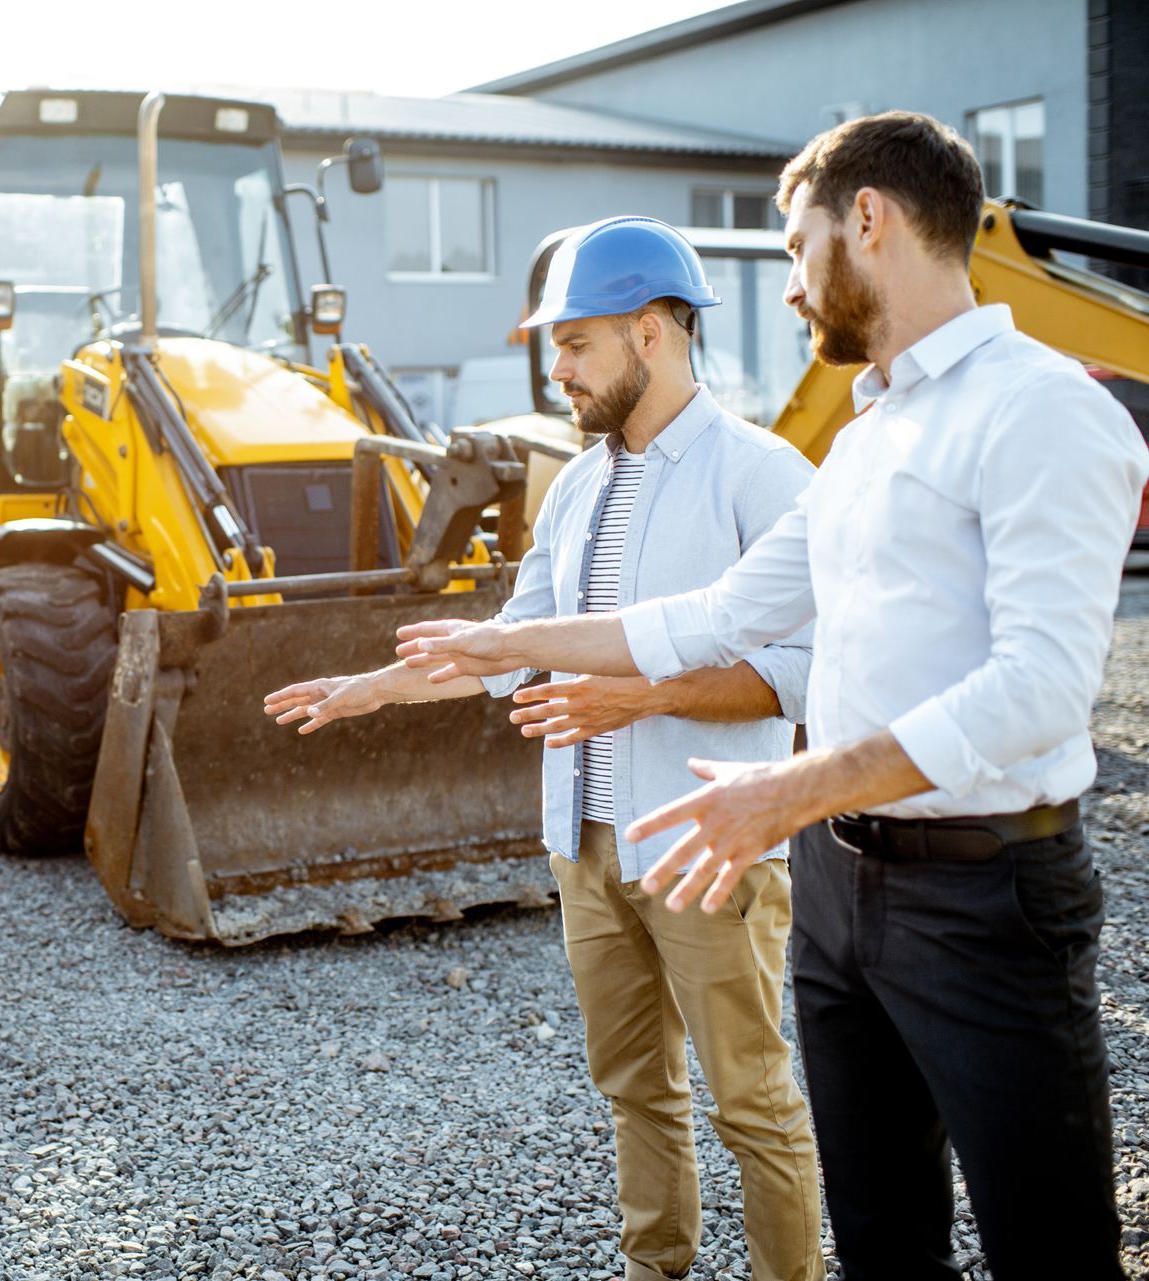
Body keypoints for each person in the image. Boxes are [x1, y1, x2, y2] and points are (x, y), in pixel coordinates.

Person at [394, 112, 1149, 1281]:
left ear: (868, 220)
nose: (793, 289)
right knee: (886, 1239)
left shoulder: (1042, 410)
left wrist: (787, 787)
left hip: (990, 896)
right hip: (844, 891)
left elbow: (1043, 690)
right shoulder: (865, 438)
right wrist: (503, 643)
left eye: (796, 250)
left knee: (1047, 1248)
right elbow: (714, 613)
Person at [266, 216, 824, 1281]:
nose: (554, 369)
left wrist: (638, 699)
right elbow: (509, 645)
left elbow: (800, 675)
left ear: (653, 332)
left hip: (708, 846)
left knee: (752, 1100)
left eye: (575, 343)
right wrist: (368, 691)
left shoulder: (762, 475)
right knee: (634, 1092)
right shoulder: (572, 488)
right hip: (586, 847)